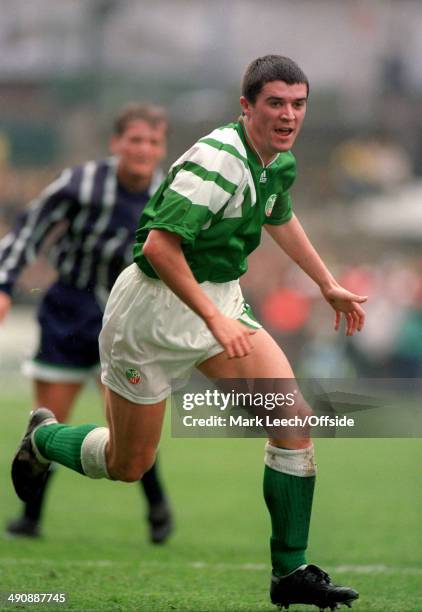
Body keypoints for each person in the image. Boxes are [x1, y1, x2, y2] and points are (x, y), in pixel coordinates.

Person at [12, 56, 366, 609]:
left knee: (292, 420)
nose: (289, 115)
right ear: (246, 107)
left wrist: (326, 282)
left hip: (216, 300)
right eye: (275, 103)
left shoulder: (277, 160)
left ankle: (290, 572)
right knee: (129, 465)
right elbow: (157, 245)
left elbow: (277, 214)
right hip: (151, 314)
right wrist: (212, 317)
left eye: (298, 104)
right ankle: (41, 438)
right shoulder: (219, 159)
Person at [2, 103, 173, 544]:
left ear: (162, 147)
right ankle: (31, 517)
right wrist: (4, 284)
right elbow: (30, 227)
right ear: (117, 143)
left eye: (153, 141)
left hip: (124, 319)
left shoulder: (169, 196)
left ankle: (157, 508)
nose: (143, 149)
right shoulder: (81, 183)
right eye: (135, 139)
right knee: (49, 418)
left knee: (130, 423)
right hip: (68, 312)